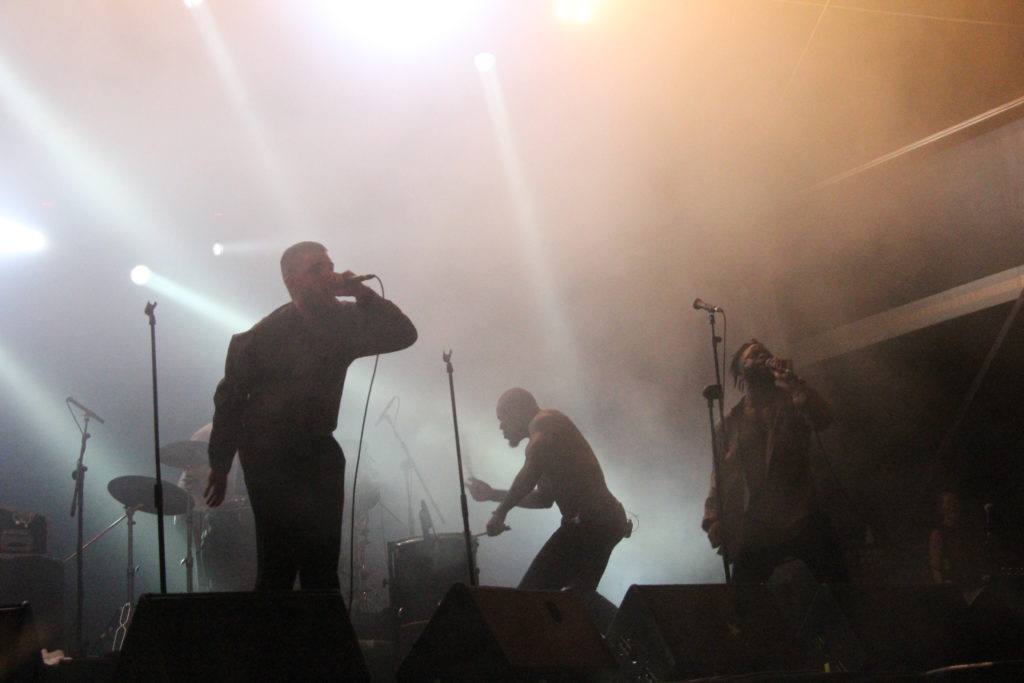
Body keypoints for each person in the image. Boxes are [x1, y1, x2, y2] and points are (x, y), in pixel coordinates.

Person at [204, 241, 417, 591]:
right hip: (267, 454)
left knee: (321, 565)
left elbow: (404, 334)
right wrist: (220, 464)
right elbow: (229, 400)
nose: (328, 274)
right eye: (316, 268)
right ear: (291, 282)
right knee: (279, 564)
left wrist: (362, 293)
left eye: (330, 266)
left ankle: (323, 643)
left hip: (318, 449)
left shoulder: (342, 323)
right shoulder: (257, 339)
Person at [702, 340, 847, 584]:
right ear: (740, 369)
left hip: (800, 515)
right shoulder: (729, 424)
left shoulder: (793, 400)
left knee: (840, 588)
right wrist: (714, 517)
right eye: (753, 355)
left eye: (765, 354)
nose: (762, 358)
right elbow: (720, 475)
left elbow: (824, 418)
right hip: (758, 525)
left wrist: (792, 381)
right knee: (743, 597)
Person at [466, 388, 629, 592]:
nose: (501, 426)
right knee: (573, 603)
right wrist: (492, 495)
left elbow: (530, 471)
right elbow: (543, 499)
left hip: (590, 524)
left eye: (503, 418)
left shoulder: (545, 421)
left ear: (517, 411)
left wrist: (500, 513)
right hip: (603, 523)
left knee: (531, 598)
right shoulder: (548, 444)